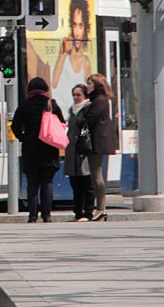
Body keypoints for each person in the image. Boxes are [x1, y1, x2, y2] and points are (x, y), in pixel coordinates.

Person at [11, 77, 65, 223]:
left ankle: (32, 216)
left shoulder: (24, 105)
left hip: (31, 148)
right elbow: (62, 124)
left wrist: (23, 137)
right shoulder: (51, 105)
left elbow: (15, 126)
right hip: (49, 148)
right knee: (47, 183)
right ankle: (47, 216)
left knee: (32, 184)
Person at [51, 0, 93, 112]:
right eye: (75, 25)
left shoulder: (86, 61)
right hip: (62, 114)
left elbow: (88, 91)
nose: (78, 32)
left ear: (85, 27)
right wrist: (63, 53)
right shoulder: (64, 56)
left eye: (81, 25)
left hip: (78, 112)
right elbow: (54, 84)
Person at [84, 73, 117, 221]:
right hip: (98, 141)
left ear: (97, 85)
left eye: (90, 83)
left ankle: (101, 208)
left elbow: (89, 119)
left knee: (97, 175)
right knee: (94, 174)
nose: (87, 86)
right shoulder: (97, 100)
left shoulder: (100, 101)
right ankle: (100, 207)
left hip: (98, 142)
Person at [65, 83, 94, 222]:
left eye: (78, 95)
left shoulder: (88, 108)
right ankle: (77, 212)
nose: (76, 97)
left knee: (86, 181)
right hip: (72, 150)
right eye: (74, 95)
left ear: (85, 95)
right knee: (75, 182)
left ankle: (88, 212)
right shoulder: (71, 110)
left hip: (83, 149)